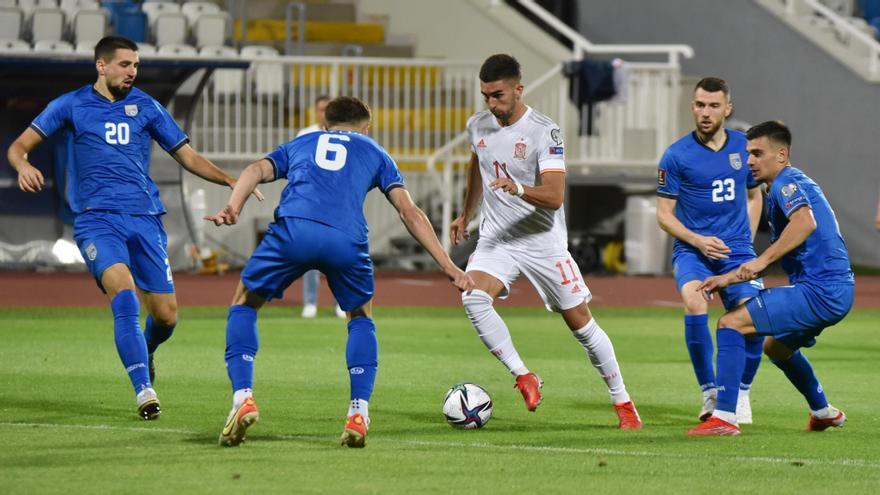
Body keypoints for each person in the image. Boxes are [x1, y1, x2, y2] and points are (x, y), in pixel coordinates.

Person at [6, 36, 256, 420]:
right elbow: (19, 147)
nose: (132, 72)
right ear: (101, 66)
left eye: (135, 65)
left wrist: (232, 182)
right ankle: (144, 389)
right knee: (123, 295)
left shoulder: (147, 107)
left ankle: (147, 349)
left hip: (145, 220)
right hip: (96, 220)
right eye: (124, 64)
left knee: (167, 316)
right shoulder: (71, 105)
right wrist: (24, 166)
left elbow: (187, 156)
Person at [206, 96, 474, 448]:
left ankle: (243, 398)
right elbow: (409, 212)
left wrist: (233, 205)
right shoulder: (376, 152)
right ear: (366, 127)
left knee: (244, 302)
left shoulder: (304, 142)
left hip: (294, 231)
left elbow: (256, 170)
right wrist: (448, 265)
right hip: (345, 240)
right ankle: (358, 412)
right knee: (360, 315)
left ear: (325, 125)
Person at [449, 54, 641, 429]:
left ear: (519, 90)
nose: (492, 103)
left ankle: (623, 403)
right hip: (498, 238)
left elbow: (554, 196)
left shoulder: (544, 131)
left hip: (542, 241)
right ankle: (523, 375)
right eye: (486, 95)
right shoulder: (478, 125)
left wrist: (518, 188)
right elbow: (478, 163)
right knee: (472, 296)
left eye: (499, 95)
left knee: (581, 324)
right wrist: (466, 212)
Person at [689, 121, 854, 436]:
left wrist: (761, 260)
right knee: (776, 348)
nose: (749, 160)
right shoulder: (793, 182)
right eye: (748, 153)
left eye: (757, 153)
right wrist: (726, 279)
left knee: (730, 324)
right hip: (833, 290)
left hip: (821, 291)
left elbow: (805, 223)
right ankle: (822, 411)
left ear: (781, 155)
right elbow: (791, 243)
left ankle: (724, 417)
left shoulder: (785, 184)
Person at [656, 77, 765, 424]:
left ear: (727, 109)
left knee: (754, 319)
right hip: (693, 252)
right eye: (700, 105)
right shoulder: (675, 156)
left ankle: (742, 391)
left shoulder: (744, 147)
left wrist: (743, 241)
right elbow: (663, 215)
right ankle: (710, 392)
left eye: (714, 105)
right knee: (694, 300)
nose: (706, 112)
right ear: (692, 107)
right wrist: (698, 241)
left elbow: (753, 195)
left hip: (737, 251)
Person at [295, 95, 345, 319]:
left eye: (327, 109)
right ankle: (310, 302)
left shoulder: (344, 135)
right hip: (311, 203)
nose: (323, 113)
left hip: (337, 203)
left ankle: (341, 303)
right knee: (312, 254)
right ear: (315, 111)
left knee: (340, 254)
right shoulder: (305, 134)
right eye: (320, 109)